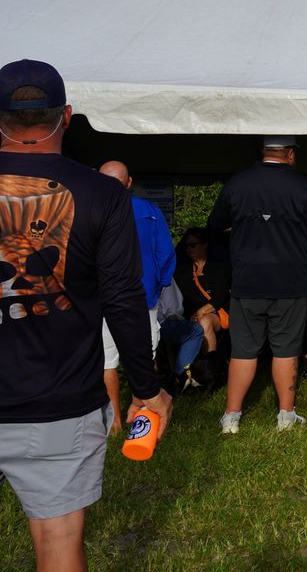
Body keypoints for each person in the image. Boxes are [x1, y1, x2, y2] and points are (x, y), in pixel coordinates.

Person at [0, 59, 172, 572]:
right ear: (67, 116)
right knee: (58, 545)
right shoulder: (102, 193)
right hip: (58, 403)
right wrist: (146, 387)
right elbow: (123, 297)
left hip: (58, 401)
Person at [208, 136, 307, 433]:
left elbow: (215, 225)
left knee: (242, 351)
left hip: (246, 281)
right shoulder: (304, 186)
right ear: (290, 154)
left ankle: (231, 417)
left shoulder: (237, 184)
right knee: (286, 350)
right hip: (289, 282)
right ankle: (286, 416)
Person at [97, 160, 176, 434]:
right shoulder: (150, 211)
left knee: (107, 359)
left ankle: (114, 420)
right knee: (144, 354)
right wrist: (160, 283)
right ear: (129, 183)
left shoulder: (89, 209)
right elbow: (165, 254)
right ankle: (143, 416)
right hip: (143, 295)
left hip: (103, 296)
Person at [173, 226, 231, 387]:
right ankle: (180, 374)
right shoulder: (181, 272)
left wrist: (199, 313)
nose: (189, 249)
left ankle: (210, 369)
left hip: (215, 313)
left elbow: (218, 299)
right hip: (189, 315)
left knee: (204, 322)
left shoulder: (218, 268)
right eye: (186, 246)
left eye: (193, 245)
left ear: (204, 245)